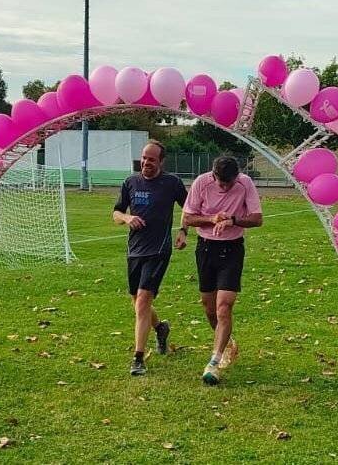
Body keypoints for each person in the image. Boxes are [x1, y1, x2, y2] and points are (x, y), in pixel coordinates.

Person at [181, 156, 262, 385]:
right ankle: (225, 342)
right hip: (206, 248)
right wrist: (211, 218)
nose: (225, 187)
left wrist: (233, 220)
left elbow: (257, 219)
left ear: (237, 176)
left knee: (224, 306)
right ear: (213, 175)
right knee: (209, 307)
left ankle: (214, 363)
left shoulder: (245, 183)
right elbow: (188, 217)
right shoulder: (201, 183)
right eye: (221, 183)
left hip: (232, 249)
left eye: (230, 183)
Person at [111, 140, 188, 376]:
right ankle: (160, 327)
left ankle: (138, 358)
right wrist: (126, 219)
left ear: (161, 162)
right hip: (134, 250)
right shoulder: (130, 182)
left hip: (159, 249)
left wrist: (183, 231)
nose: (146, 163)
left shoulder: (172, 183)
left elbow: (189, 208)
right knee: (137, 302)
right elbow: (116, 213)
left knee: (143, 300)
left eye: (151, 159)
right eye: (144, 158)